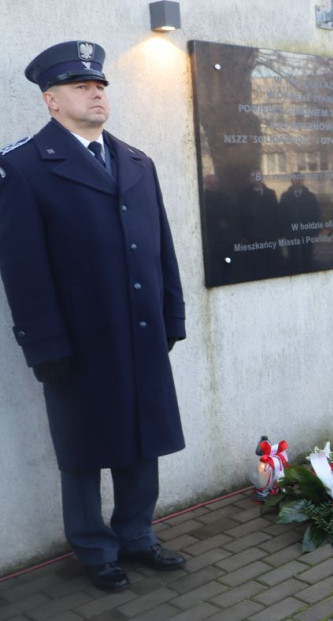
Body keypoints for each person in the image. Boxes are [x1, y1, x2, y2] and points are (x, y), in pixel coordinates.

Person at [0, 41, 188, 592]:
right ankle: (94, 548)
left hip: (141, 329)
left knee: (142, 438)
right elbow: (23, 268)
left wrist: (171, 312)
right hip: (79, 338)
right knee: (82, 448)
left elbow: (161, 246)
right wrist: (44, 343)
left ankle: (137, 535)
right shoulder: (23, 167)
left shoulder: (136, 161)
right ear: (51, 100)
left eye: (100, 85)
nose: (96, 94)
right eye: (81, 86)